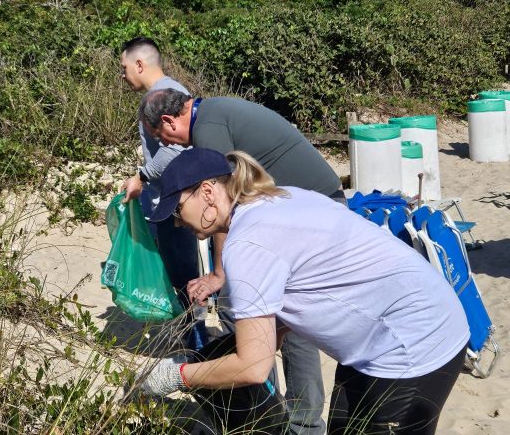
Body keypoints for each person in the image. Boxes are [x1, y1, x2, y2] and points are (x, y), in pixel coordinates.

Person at [137, 147, 469, 435]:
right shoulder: (278, 197)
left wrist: (175, 376)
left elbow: (253, 367)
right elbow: (302, 291)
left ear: (208, 192)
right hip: (390, 335)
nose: (178, 222)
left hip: (415, 346)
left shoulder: (247, 243)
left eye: (178, 209)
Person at [139, 88, 342, 435]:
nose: (168, 145)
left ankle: (303, 424)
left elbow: (220, 205)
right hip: (294, 212)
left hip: (316, 215)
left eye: (162, 136)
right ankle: (270, 408)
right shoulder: (212, 113)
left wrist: (219, 274)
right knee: (272, 320)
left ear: (171, 120)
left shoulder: (207, 128)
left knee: (292, 319)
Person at [118, 37, 207, 350]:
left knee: (183, 281)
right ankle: (190, 344)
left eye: (124, 68)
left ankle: (197, 351)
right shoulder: (173, 90)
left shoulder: (158, 97)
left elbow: (174, 151)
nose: (123, 75)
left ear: (139, 64)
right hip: (168, 200)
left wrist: (141, 176)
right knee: (178, 277)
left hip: (174, 204)